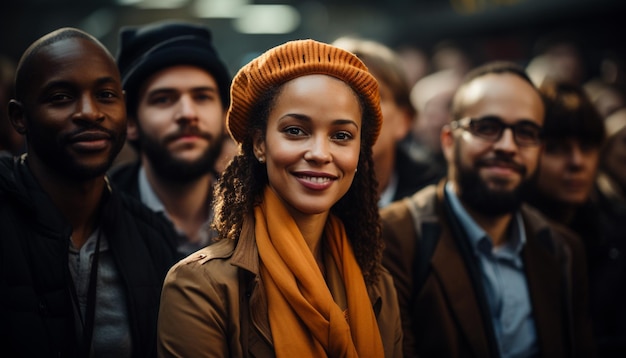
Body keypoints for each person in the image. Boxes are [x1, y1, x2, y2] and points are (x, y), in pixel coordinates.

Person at [157, 39, 403, 357]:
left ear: (359, 152)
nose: (319, 153)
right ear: (259, 144)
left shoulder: (378, 285)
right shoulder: (199, 287)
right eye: (295, 131)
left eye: (341, 136)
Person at [381, 61, 596, 357]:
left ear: (539, 148)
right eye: (487, 128)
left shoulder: (563, 249)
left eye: (526, 132)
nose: (507, 146)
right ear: (448, 141)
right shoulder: (395, 237)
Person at [0, 27, 180, 357]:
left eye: (106, 95)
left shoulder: (152, 239)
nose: (89, 112)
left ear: (124, 109)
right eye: (61, 97)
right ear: (19, 117)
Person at [110, 21, 232, 255]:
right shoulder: (93, 222)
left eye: (202, 97)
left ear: (226, 115)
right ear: (130, 122)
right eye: (163, 99)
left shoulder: (257, 215)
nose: (187, 114)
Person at [332, 36, 442, 207]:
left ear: (404, 120)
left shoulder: (439, 202)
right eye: (339, 95)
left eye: (373, 96)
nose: (353, 108)